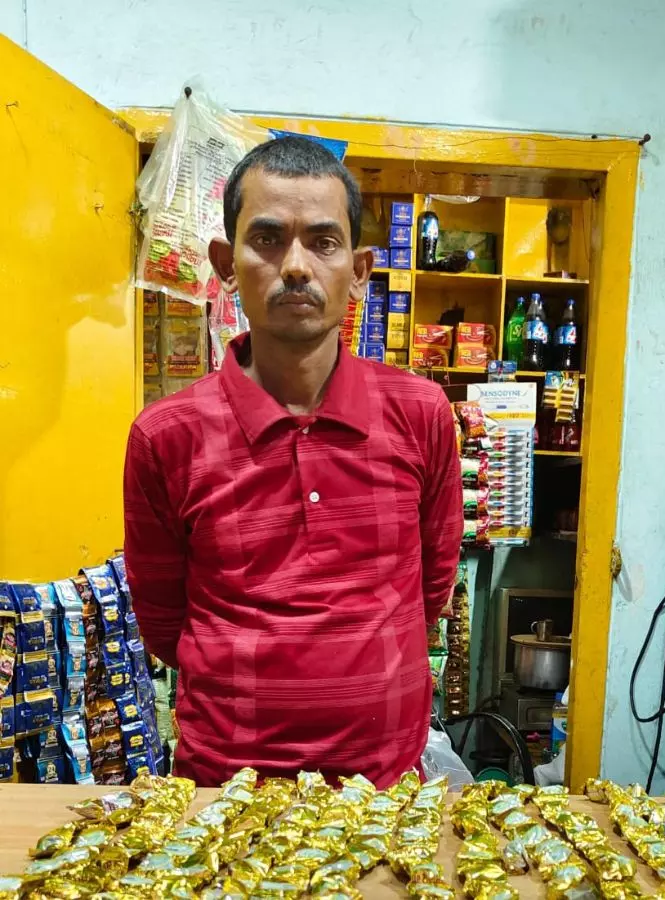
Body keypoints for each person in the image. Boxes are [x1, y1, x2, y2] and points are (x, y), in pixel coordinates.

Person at [123, 136, 462, 788]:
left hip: (383, 793)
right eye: (269, 239)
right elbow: (166, 627)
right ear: (225, 262)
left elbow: (431, 591)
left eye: (324, 242)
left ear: (360, 268)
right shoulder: (166, 436)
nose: (297, 266)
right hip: (223, 799)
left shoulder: (420, 414)